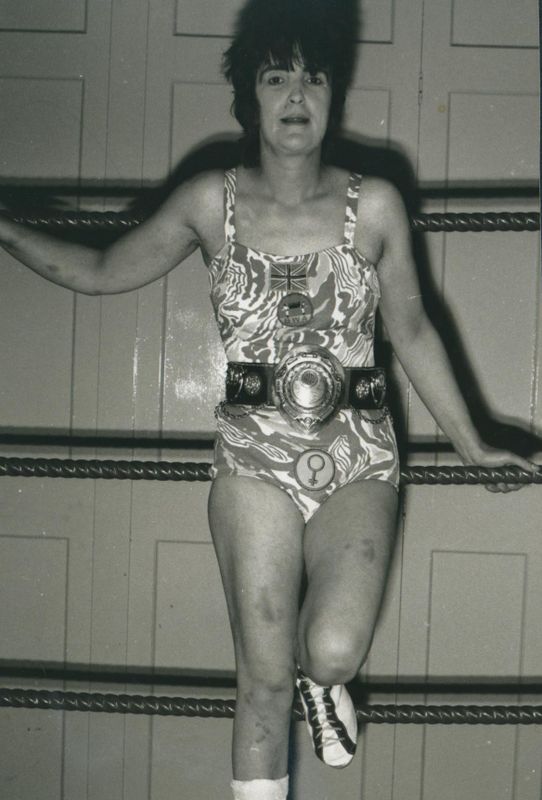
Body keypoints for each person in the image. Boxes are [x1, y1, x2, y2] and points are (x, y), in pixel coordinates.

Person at [0, 1, 535, 798]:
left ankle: (327, 686)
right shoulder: (208, 200)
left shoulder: (376, 204)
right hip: (254, 456)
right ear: (250, 94)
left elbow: (415, 330)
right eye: (276, 75)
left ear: (333, 92)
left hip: (358, 452)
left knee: (330, 652)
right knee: (259, 680)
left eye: (313, 76)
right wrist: (3, 228)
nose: (295, 94)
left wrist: (472, 441)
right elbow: (103, 270)